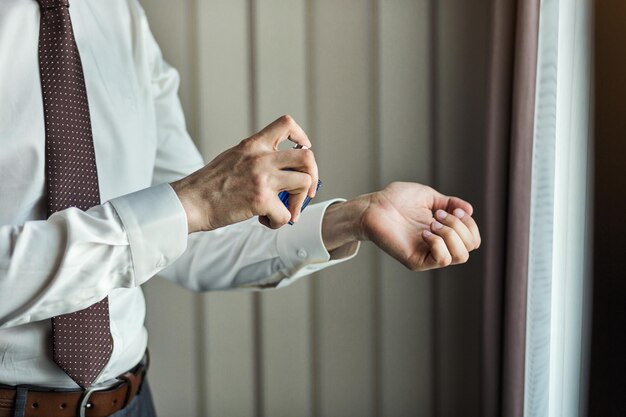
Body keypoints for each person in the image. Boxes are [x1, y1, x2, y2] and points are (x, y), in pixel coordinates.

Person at [0, 1, 481, 416]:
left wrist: (356, 217)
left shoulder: (119, 15)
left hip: (130, 402)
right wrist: (195, 202)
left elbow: (188, 240)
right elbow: (180, 213)